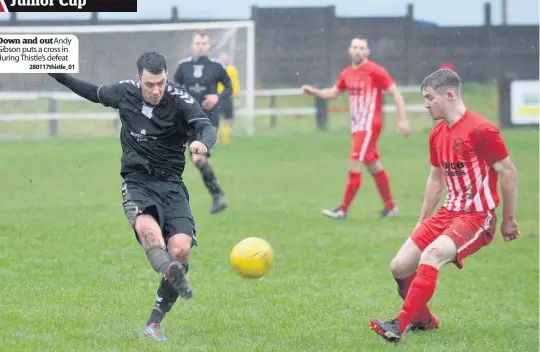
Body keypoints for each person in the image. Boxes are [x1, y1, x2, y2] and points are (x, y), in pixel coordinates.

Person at [48, 52, 218, 341]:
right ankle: (173, 273)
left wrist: (202, 142)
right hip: (138, 182)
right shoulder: (124, 92)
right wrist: (55, 72)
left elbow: (205, 125)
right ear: (138, 79)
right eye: (150, 84)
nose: (156, 90)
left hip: (172, 185)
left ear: (166, 78)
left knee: (181, 249)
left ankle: (153, 324)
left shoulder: (179, 99)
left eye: (161, 83)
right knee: (149, 231)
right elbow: (90, 91)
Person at [369, 68, 520, 343]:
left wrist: (508, 220)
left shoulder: (482, 129)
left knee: (432, 255)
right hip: (446, 213)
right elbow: (435, 178)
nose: (426, 105)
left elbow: (508, 172)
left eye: (429, 98)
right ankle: (424, 321)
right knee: (399, 267)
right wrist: (421, 221)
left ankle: (398, 325)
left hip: (476, 217)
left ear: (449, 95)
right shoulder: (437, 133)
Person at [301, 35, 410, 220]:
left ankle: (342, 210)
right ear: (350, 50)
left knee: (354, 164)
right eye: (355, 47)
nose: (358, 51)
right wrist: (316, 92)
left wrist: (403, 120)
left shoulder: (375, 71)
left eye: (362, 48)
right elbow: (334, 92)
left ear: (367, 52)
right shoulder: (347, 73)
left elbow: (395, 93)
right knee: (373, 166)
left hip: (369, 125)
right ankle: (390, 207)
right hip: (357, 126)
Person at [173, 31, 232, 215]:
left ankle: (217, 196)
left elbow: (229, 87)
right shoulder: (183, 66)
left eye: (204, 43)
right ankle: (217, 194)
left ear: (209, 45)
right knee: (199, 161)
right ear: (193, 44)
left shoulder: (216, 66)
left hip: (209, 119)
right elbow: (174, 88)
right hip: (189, 119)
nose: (200, 46)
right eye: (198, 43)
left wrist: (217, 97)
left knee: (199, 157)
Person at [216, 51, 240, 147]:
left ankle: (226, 141)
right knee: (215, 120)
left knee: (227, 119)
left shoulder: (232, 69)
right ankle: (214, 142)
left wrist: (237, 96)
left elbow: (235, 83)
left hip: (228, 98)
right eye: (222, 58)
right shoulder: (215, 69)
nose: (224, 60)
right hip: (216, 98)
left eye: (225, 58)